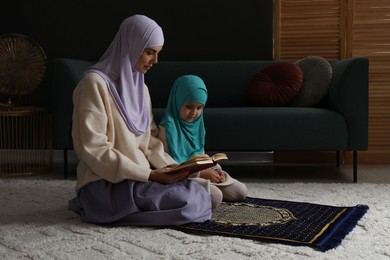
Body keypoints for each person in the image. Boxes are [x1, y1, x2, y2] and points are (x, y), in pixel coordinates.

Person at [68, 15, 212, 226]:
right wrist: (150, 175)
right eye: (149, 52)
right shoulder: (94, 84)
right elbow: (93, 149)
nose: (155, 61)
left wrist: (177, 170)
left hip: (141, 176)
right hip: (107, 182)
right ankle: (105, 207)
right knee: (191, 201)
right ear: (130, 45)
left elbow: (149, 141)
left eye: (157, 53)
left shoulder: (141, 88)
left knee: (204, 193)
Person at [158, 75, 248, 209]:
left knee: (241, 191)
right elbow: (168, 166)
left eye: (199, 108)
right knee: (216, 197)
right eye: (189, 106)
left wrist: (216, 171)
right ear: (177, 101)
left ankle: (208, 186)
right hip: (181, 179)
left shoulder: (197, 125)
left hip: (201, 174)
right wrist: (201, 173)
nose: (194, 113)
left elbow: (201, 156)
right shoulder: (166, 129)